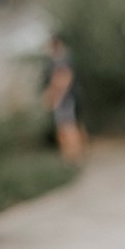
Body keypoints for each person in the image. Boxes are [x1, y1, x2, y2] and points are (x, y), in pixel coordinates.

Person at [43, 36, 85, 164]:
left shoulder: (61, 60)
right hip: (65, 98)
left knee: (68, 127)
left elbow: (65, 79)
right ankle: (71, 155)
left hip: (65, 99)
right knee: (66, 127)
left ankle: (73, 156)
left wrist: (56, 98)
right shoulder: (61, 59)